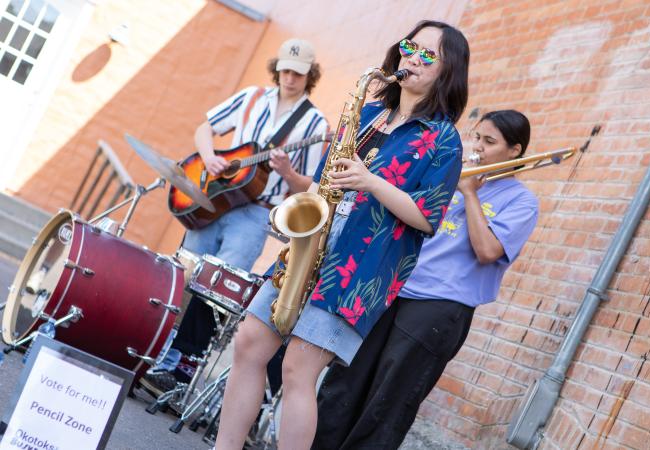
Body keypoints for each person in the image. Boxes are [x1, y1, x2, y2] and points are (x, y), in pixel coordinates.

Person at [214, 20, 470, 450]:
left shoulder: (445, 140)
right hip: (311, 248)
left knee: (298, 371)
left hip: (361, 269)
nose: (412, 57)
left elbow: (428, 216)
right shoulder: (367, 115)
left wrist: (371, 182)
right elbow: (320, 185)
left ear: (449, 71)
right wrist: (294, 219)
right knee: (248, 345)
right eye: (410, 47)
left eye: (428, 54)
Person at [311, 110, 539, 450]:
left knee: (388, 402)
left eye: (489, 141)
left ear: (515, 150)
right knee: (344, 382)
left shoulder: (522, 201)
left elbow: (488, 251)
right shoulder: (448, 176)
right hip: (392, 288)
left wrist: (470, 194)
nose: (477, 146)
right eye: (476, 136)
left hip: (440, 307)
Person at [140, 38, 329, 394]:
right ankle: (153, 352)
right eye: (285, 70)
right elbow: (205, 128)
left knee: (217, 290)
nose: (290, 78)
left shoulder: (316, 124)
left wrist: (287, 171)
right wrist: (209, 156)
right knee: (185, 276)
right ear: (277, 69)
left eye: (298, 74)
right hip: (210, 199)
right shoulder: (251, 97)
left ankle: (180, 371)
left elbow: (308, 187)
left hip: (256, 214)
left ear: (310, 76)